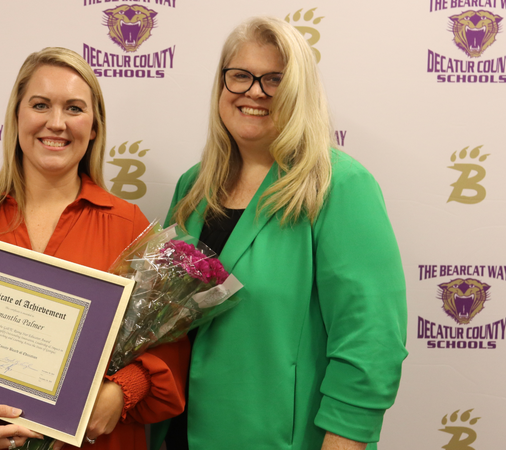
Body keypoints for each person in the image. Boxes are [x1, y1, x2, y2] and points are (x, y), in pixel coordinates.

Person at [0, 47, 189, 450]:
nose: (56, 123)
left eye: (74, 108)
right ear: (17, 116)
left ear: (94, 127)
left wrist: (122, 391)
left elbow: (169, 351)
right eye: (40, 105)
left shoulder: (128, 227)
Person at [152, 17, 407, 450]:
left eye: (275, 80)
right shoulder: (192, 187)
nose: (254, 92)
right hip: (176, 433)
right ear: (222, 84)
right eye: (240, 76)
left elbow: (372, 337)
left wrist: (345, 440)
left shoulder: (338, 185)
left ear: (299, 93)